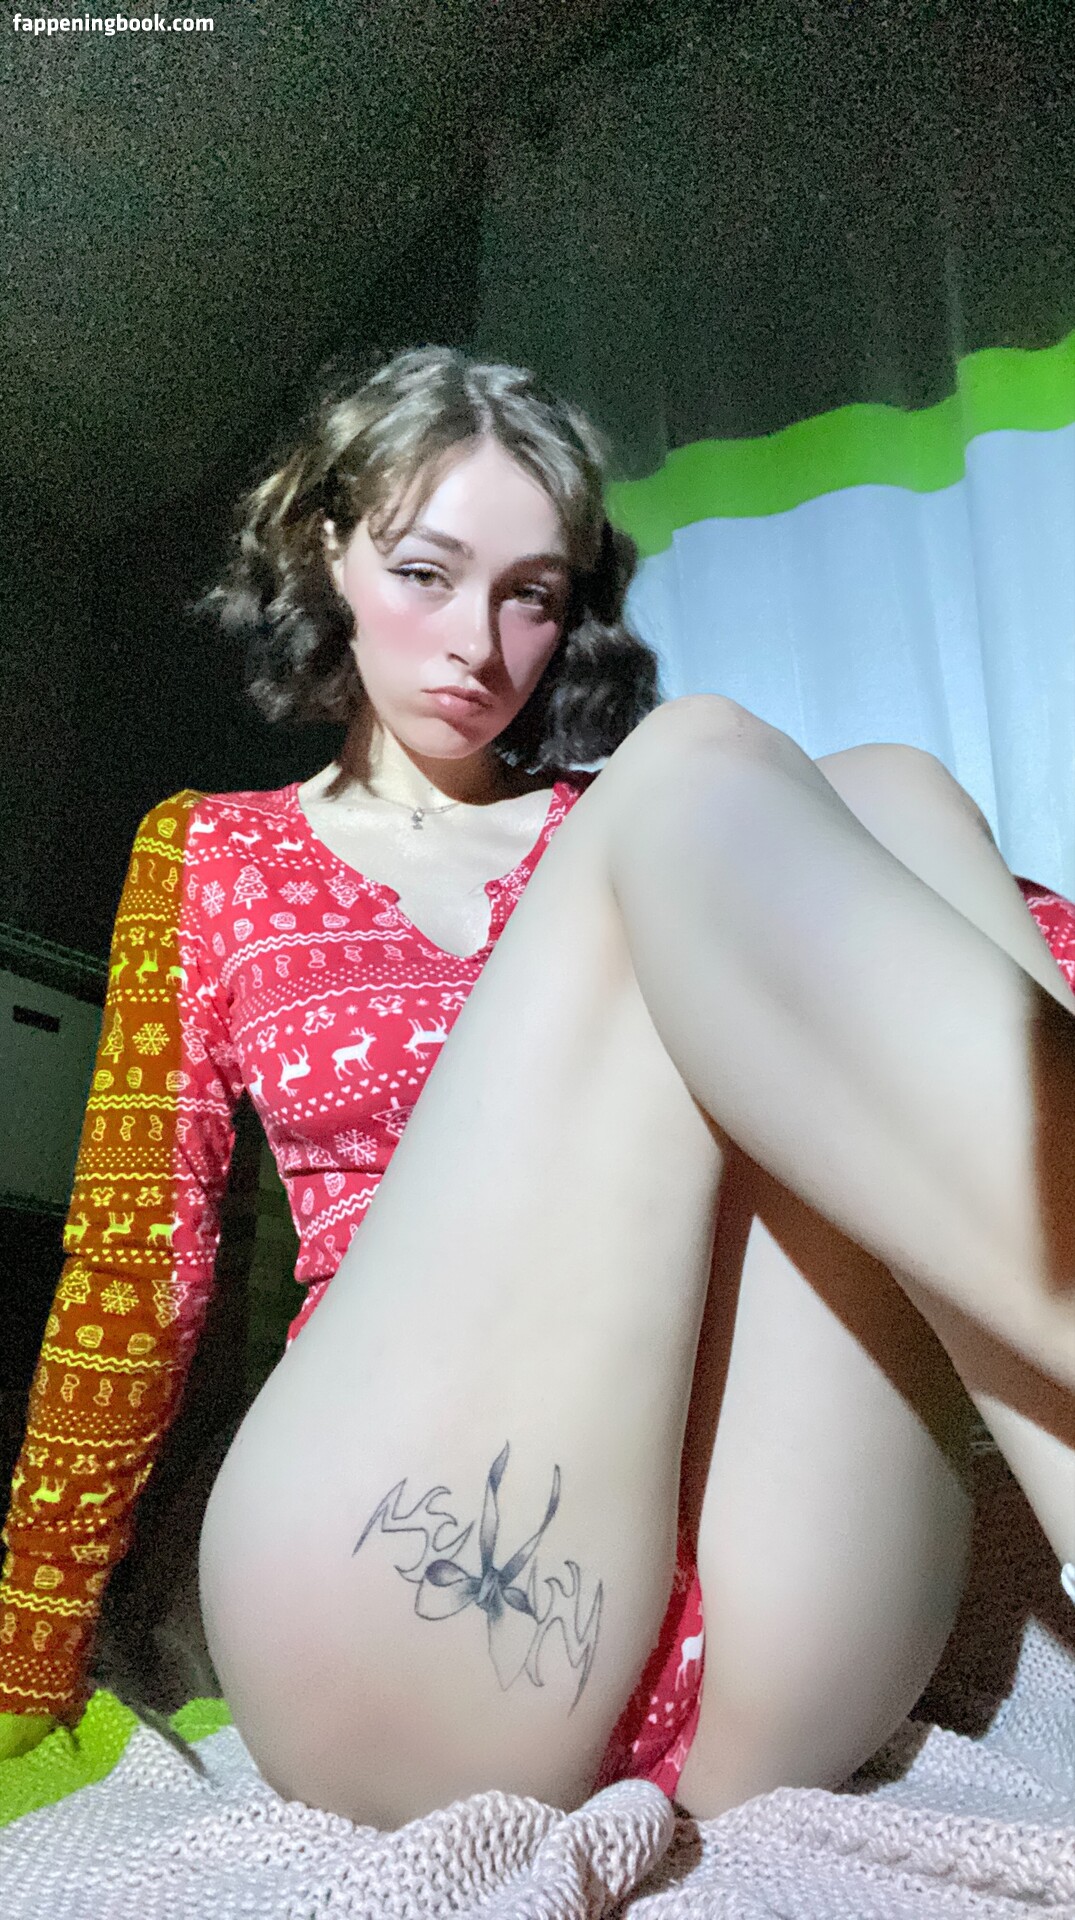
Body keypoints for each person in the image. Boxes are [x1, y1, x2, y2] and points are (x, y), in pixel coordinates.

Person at [1, 347, 1074, 1832]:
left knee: (893, 791)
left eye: (531, 595)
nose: (478, 643)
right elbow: (139, 1269)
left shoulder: (662, 830)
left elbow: (988, 980)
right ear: (328, 552)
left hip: (771, 1632)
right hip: (416, 1585)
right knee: (698, 766)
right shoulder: (216, 853)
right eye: (426, 573)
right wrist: (23, 1654)